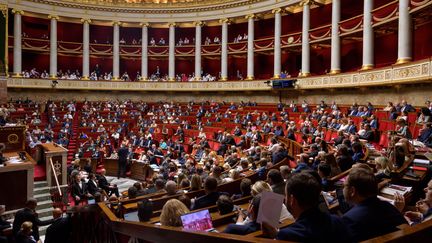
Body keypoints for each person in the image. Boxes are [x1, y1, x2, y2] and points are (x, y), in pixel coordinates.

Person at [262, 172, 351, 242]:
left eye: (286, 196)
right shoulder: (338, 221)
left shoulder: (288, 235)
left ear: (292, 200)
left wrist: (276, 237)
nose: (285, 199)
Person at [342, 168, 407, 242]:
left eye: (344, 186)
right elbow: (406, 231)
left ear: (352, 191)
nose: (343, 189)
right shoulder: (388, 206)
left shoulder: (349, 219)